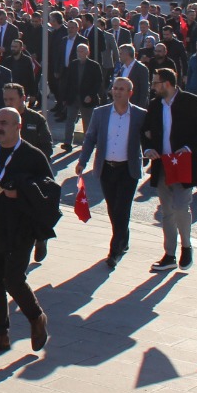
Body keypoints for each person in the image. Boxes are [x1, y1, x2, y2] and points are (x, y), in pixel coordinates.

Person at [0, 107, 54, 355]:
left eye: (4, 122)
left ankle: (37, 317)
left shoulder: (33, 156)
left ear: (18, 126)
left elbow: (49, 192)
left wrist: (22, 192)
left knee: (13, 279)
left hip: (22, 228)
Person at [141, 68, 197, 274]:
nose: (153, 87)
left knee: (181, 207)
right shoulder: (154, 105)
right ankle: (169, 254)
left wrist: (188, 148)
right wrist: (148, 147)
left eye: (156, 83)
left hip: (183, 164)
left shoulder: (192, 101)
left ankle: (186, 246)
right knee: (167, 211)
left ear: (167, 84)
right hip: (162, 165)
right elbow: (144, 131)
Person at [75, 77, 146, 270]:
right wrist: (82, 161)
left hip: (128, 169)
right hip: (107, 168)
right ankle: (123, 238)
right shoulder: (101, 113)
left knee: (122, 209)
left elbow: (148, 138)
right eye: (115, 88)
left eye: (122, 89)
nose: (117, 92)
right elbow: (90, 139)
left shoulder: (140, 115)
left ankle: (114, 251)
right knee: (113, 209)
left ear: (130, 93)